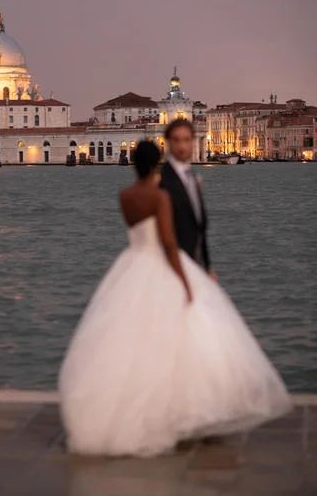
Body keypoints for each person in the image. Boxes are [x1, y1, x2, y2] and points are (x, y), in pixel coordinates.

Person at [58, 140, 291, 457]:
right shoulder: (160, 195)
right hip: (160, 264)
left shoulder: (125, 196)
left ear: (132, 163)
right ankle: (181, 411)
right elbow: (168, 243)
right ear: (157, 164)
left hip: (131, 264)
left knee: (130, 342)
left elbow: (138, 233)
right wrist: (185, 281)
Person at [160, 119, 213, 275]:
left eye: (186, 140)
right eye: (176, 140)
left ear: (192, 142)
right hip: (173, 270)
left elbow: (199, 228)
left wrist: (208, 267)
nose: (182, 146)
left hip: (195, 266)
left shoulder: (192, 178)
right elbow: (166, 237)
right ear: (168, 143)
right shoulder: (163, 182)